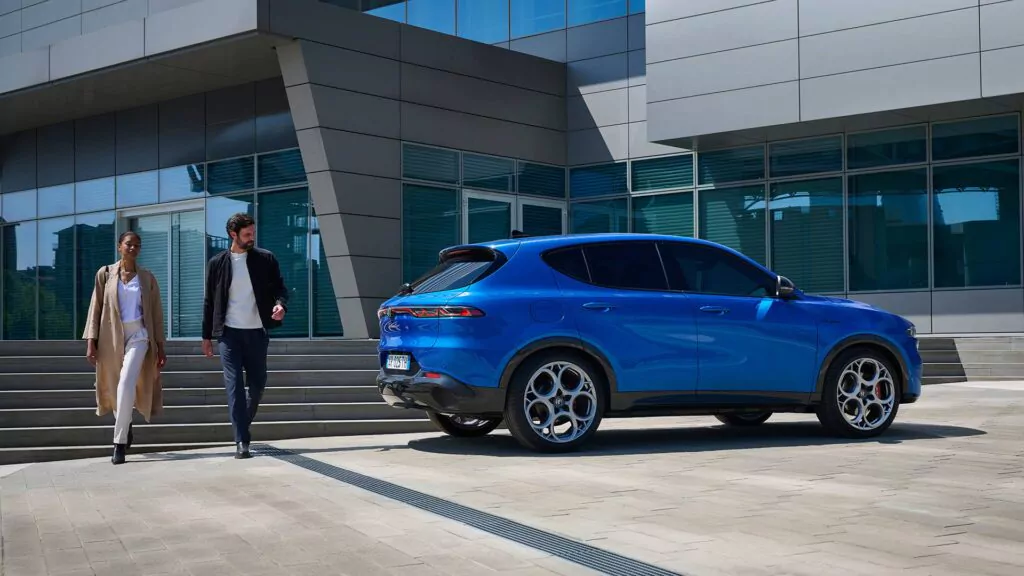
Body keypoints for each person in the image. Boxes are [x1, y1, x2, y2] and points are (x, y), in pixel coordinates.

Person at [202, 213, 288, 459]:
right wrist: (206, 336)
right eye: (247, 234)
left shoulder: (265, 259)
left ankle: (241, 423)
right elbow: (209, 301)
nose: (252, 237)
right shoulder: (217, 263)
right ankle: (242, 440)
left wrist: (280, 305)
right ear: (233, 235)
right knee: (234, 387)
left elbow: (280, 288)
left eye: (253, 233)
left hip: (257, 333)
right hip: (229, 335)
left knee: (258, 385)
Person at [83, 231, 167, 465]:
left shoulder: (147, 278)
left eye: (137, 245)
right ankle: (126, 423)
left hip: (139, 335)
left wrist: (160, 346)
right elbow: (95, 308)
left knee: (126, 382)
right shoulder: (105, 274)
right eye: (129, 244)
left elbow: (157, 315)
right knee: (114, 384)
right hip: (111, 336)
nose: (133, 248)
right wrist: (91, 341)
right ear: (119, 246)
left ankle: (118, 443)